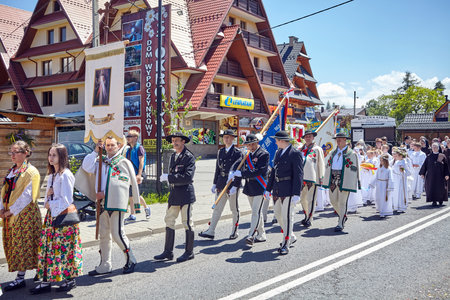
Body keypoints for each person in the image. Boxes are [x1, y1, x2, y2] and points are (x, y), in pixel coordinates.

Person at [78, 137, 140, 275]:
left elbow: (122, 182)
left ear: (119, 146)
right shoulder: (101, 160)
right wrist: (95, 150)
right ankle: (105, 264)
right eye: (107, 145)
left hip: (115, 203)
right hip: (101, 204)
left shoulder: (123, 162)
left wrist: (104, 193)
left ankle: (131, 259)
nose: (109, 147)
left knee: (117, 233)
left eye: (112, 145)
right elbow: (86, 166)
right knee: (104, 234)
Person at [30, 144, 82, 294]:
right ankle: (46, 281)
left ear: (61, 157)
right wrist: (48, 198)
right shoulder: (53, 174)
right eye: (49, 154)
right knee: (48, 249)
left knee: (64, 250)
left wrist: (49, 203)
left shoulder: (66, 175)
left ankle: (70, 279)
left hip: (63, 218)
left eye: (54, 155)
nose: (50, 158)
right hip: (51, 216)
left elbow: (67, 200)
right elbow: (49, 196)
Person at [0, 141, 42, 292]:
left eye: (16, 152)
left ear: (26, 153)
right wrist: (1, 208)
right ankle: (26, 275)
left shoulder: (32, 172)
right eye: (11, 152)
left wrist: (10, 210)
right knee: (16, 245)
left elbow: (28, 196)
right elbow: (4, 190)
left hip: (25, 214)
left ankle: (26, 276)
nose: (12, 155)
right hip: (10, 214)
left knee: (26, 244)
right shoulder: (12, 171)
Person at [155, 132, 196, 262]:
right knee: (169, 220)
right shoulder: (173, 156)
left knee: (187, 222)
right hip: (174, 194)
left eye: (177, 140)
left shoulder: (189, 157)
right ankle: (168, 251)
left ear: (183, 141)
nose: (174, 143)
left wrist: (169, 177)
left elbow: (188, 177)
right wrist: (169, 179)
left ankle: (189, 252)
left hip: (185, 193)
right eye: (173, 141)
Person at [199, 129, 243, 240]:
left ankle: (234, 231)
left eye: (228, 137)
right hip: (221, 182)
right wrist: (214, 183)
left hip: (232, 184)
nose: (226, 139)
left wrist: (236, 185)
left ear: (233, 138)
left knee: (234, 209)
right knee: (217, 208)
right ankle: (211, 230)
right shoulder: (221, 151)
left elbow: (239, 170)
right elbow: (217, 169)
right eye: (224, 137)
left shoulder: (238, 153)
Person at [265, 131, 303, 255]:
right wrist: (267, 189)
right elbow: (273, 173)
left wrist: (297, 193)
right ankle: (290, 235)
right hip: (277, 189)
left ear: (282, 141)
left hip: (289, 189)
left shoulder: (295, 153)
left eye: (276, 140)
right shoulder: (278, 153)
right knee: (278, 215)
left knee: (287, 218)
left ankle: (285, 243)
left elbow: (298, 174)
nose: (275, 142)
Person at [231, 134, 269, 246]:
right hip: (249, 186)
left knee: (255, 212)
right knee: (256, 212)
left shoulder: (263, 154)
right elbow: (237, 164)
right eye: (248, 144)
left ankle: (251, 235)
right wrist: (233, 172)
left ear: (257, 143)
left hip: (260, 186)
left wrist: (242, 174)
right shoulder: (246, 154)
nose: (250, 146)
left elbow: (259, 171)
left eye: (252, 144)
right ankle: (261, 234)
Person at [322, 132, 360, 232]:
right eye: (337, 139)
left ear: (345, 140)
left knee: (342, 202)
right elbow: (328, 166)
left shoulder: (351, 154)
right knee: (333, 200)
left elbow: (354, 169)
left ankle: (340, 223)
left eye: (340, 139)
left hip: (344, 179)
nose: (338, 141)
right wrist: (325, 178)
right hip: (333, 179)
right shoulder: (332, 153)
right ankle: (342, 215)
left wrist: (354, 181)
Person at [298, 130, 325, 227]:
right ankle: (306, 215)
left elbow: (321, 164)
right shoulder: (300, 149)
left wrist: (321, 177)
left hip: (312, 177)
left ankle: (309, 218)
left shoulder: (317, 149)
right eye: (306, 136)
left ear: (313, 137)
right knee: (302, 199)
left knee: (311, 199)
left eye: (309, 136)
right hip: (301, 178)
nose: (308, 138)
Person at [124, 130, 151, 221]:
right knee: (131, 195)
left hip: (138, 173)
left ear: (135, 138)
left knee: (136, 194)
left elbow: (141, 162)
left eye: (130, 136)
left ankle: (146, 208)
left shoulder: (139, 148)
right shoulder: (129, 149)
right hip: (131, 174)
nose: (128, 138)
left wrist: (139, 174)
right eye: (127, 136)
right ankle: (132, 214)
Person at [370, 154, 394, 218]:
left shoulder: (389, 169)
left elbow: (391, 178)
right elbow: (376, 177)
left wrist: (389, 187)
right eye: (380, 161)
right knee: (378, 198)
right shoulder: (379, 168)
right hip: (379, 185)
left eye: (382, 161)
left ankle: (384, 211)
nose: (381, 162)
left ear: (386, 161)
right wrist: (372, 183)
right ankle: (380, 209)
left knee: (384, 198)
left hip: (385, 185)